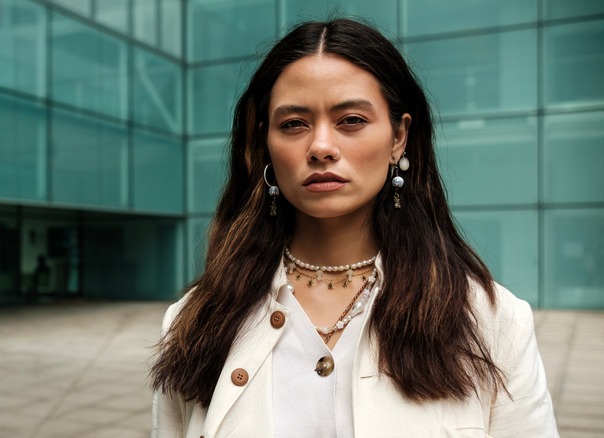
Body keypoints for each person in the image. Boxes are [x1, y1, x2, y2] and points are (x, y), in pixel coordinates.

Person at [150, 18, 558, 438]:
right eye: (294, 124)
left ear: (399, 136)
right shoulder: (197, 322)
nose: (321, 147)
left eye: (351, 120)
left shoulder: (491, 321)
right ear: (264, 142)